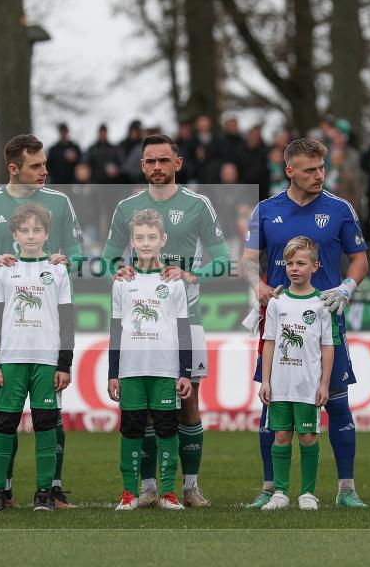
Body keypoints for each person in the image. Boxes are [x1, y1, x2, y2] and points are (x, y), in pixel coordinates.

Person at [103, 133, 231, 508]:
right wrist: (120, 271)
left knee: (188, 404)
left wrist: (195, 275)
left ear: (178, 163)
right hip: (140, 326)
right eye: (149, 161)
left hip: (186, 321)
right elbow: (109, 259)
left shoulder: (198, 205)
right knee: (141, 409)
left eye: (163, 160)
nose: (156, 167)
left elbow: (223, 258)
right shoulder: (127, 208)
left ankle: (189, 487)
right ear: (142, 165)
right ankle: (146, 488)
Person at [242, 138, 370, 509]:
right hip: (281, 323)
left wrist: (346, 286)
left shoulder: (339, 208)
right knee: (273, 407)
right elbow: (248, 260)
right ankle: (270, 489)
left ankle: (346, 488)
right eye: (311, 170)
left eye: (321, 168)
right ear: (290, 171)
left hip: (326, 319)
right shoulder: (266, 210)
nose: (319, 175)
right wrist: (259, 284)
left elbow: (359, 260)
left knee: (338, 403)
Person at [0, 134, 83, 510]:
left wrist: (67, 260)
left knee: (50, 414)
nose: (45, 171)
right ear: (14, 168)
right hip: (9, 331)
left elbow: (78, 254)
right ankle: (4, 490)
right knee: (5, 413)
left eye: (45, 164)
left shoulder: (59, 202)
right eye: (37, 166)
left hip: (47, 327)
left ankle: (52, 489)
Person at [0, 203, 74, 512]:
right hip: (10, 360)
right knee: (4, 423)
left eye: (37, 230)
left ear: (47, 234)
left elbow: (68, 320)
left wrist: (64, 364)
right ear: (14, 234)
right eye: (24, 230)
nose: (30, 236)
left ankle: (44, 492)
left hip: (46, 362)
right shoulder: (5, 268)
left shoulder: (59, 269)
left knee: (46, 424)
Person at [109, 209, 192, 511]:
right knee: (131, 430)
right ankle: (129, 494)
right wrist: (112, 372)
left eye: (151, 237)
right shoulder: (122, 281)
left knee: (167, 429)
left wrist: (184, 372)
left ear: (163, 240)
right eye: (140, 238)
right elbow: (116, 329)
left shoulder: (173, 281)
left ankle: (168, 493)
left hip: (165, 369)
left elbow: (184, 329)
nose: (145, 243)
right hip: (131, 369)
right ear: (131, 241)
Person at [258, 236, 334, 510]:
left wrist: (324, 383)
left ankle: (307, 493)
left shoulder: (322, 304)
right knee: (280, 436)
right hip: (280, 384)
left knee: (307, 437)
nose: (294, 268)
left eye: (301, 263)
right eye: (289, 263)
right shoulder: (277, 303)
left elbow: (327, 346)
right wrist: (265, 381)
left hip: (307, 385)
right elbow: (269, 343)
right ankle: (280, 493)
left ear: (315, 266)